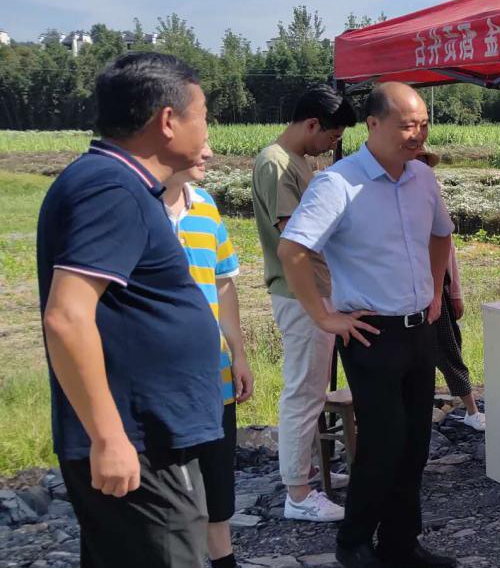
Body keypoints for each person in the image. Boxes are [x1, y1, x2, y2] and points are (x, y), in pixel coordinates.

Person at [36, 51, 220, 566]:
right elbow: (67, 317)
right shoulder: (109, 187)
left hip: (147, 436)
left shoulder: (118, 184)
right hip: (141, 441)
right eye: (203, 116)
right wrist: (109, 437)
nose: (207, 131)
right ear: (168, 120)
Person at [279, 82, 456, 568]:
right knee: (382, 445)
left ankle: (401, 542)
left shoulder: (422, 179)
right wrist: (323, 315)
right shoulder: (339, 183)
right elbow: (293, 250)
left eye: (423, 125)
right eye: (407, 125)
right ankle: (354, 543)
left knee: (415, 443)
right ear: (373, 124)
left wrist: (435, 291)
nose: (417, 135)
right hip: (371, 331)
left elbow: (441, 236)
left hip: (419, 328)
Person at [252, 85, 356, 522]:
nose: (331, 145)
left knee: (310, 387)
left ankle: (308, 474)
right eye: (331, 136)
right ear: (312, 124)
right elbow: (295, 234)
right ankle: (298, 493)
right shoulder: (276, 163)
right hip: (300, 294)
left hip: (313, 290)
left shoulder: (297, 161)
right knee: (304, 391)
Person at [162, 143, 253, 568]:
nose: (210, 152)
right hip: (161, 384)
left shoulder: (206, 206)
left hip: (213, 377)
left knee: (217, 485)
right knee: (170, 494)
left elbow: (223, 284)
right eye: (199, 141)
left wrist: (239, 354)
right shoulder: (136, 211)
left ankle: (224, 560)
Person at [416, 150, 485, 432]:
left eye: (423, 164)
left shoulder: (431, 198)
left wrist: (454, 292)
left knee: (448, 348)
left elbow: (448, 249)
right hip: (402, 290)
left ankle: (471, 409)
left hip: (434, 289)